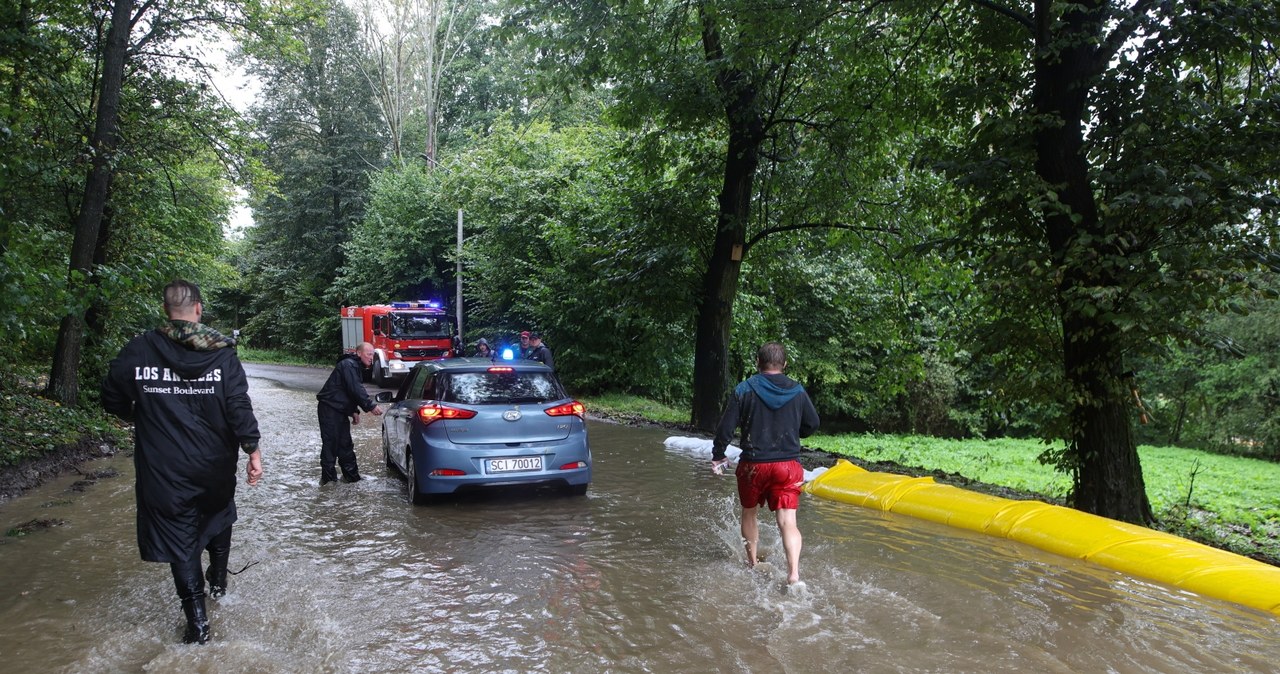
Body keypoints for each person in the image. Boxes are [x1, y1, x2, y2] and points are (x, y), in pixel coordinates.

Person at [101, 279, 263, 645]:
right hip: (213, 466)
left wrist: (140, 414)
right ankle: (219, 584)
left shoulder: (140, 349)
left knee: (180, 542)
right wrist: (252, 450)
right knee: (220, 511)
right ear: (199, 309)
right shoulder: (222, 353)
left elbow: (111, 395)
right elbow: (238, 405)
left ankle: (198, 624)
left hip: (164, 471)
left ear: (165, 310)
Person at [710, 342, 819, 588]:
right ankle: (793, 574)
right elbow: (812, 424)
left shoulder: (744, 389)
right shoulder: (798, 391)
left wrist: (718, 455)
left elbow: (725, 428)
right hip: (788, 465)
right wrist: (795, 431)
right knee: (788, 521)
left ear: (758, 362)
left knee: (749, 512)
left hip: (753, 466)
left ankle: (752, 563)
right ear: (785, 365)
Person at [316, 342, 383, 484]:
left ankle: (352, 479)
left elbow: (347, 391)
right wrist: (370, 405)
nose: (371, 357)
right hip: (329, 408)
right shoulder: (348, 364)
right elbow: (355, 388)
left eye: (373, 354)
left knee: (345, 444)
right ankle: (328, 482)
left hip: (339, 410)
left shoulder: (355, 366)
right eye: (368, 354)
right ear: (359, 353)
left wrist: (354, 411)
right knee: (331, 444)